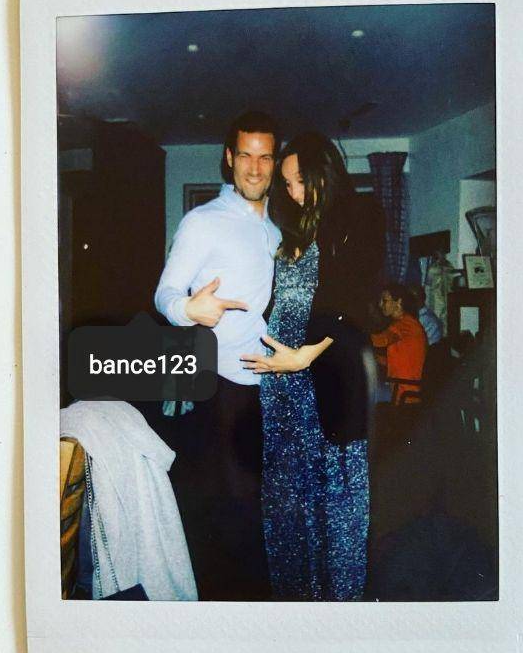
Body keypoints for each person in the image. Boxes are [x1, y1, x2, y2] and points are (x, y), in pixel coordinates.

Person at [241, 132, 384, 601]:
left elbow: (355, 302)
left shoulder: (359, 216)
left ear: (324, 171)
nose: (295, 192)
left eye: (301, 180)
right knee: (288, 492)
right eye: (287, 183)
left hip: (324, 373)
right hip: (281, 383)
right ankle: (298, 600)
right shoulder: (295, 228)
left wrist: (306, 353)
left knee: (333, 492)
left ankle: (337, 603)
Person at [154, 111, 281, 600]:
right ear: (229, 159)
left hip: (266, 384)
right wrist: (189, 308)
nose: (255, 167)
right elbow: (165, 293)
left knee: (260, 512)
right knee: (227, 518)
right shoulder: (203, 221)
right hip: (219, 385)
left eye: (264, 157)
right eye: (245, 155)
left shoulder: (276, 231)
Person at [371, 283, 428, 404]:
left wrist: (355, 336)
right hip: (399, 387)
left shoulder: (406, 325)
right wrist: (376, 358)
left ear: (398, 302)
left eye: (384, 301)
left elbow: (382, 340)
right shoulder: (405, 323)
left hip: (403, 391)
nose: (380, 305)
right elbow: (401, 361)